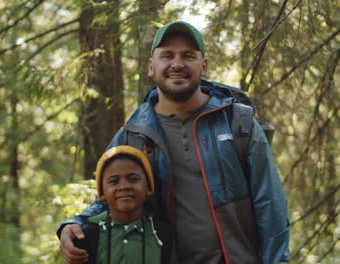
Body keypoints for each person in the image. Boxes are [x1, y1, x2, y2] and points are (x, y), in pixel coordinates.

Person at [58, 21, 290, 264]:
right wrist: (76, 222)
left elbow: (270, 205)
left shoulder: (238, 124)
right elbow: (113, 195)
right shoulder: (134, 135)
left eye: (188, 56)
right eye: (167, 55)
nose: (177, 64)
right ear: (151, 66)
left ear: (204, 66)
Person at [73, 145, 176, 264]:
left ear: (148, 188)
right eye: (114, 181)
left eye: (133, 179)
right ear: (102, 193)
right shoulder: (88, 234)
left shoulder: (162, 233)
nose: (124, 186)